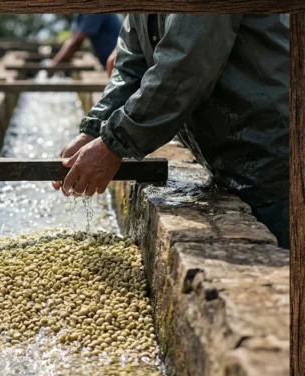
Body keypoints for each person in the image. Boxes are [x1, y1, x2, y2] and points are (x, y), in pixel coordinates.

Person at [53, 14, 291, 248]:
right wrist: (93, 131)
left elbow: (185, 67)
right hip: (232, 155)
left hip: (272, 151)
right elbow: (132, 66)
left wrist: (113, 144)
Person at [50, 14, 122, 75]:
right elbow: (73, 38)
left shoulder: (95, 5)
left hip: (120, 65)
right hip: (109, 65)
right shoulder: (79, 12)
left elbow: (76, 42)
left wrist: (52, 69)